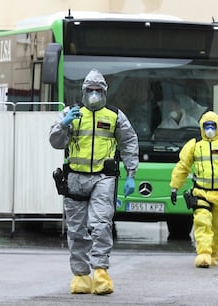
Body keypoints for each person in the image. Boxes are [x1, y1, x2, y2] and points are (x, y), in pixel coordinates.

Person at [49, 68, 139, 295]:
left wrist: (131, 174)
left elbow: (129, 143)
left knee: (100, 225)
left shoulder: (115, 116)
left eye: (98, 90)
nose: (94, 94)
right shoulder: (71, 113)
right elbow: (55, 142)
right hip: (75, 179)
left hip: (102, 178)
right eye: (90, 90)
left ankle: (100, 272)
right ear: (83, 91)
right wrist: (63, 125)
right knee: (77, 229)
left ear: (105, 92)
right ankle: (80, 276)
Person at [169, 111, 218, 268]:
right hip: (200, 192)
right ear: (201, 127)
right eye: (206, 126)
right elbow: (182, 166)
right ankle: (203, 254)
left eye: (212, 126)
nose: (209, 129)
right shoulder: (194, 145)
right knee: (202, 222)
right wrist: (175, 187)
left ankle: (214, 254)